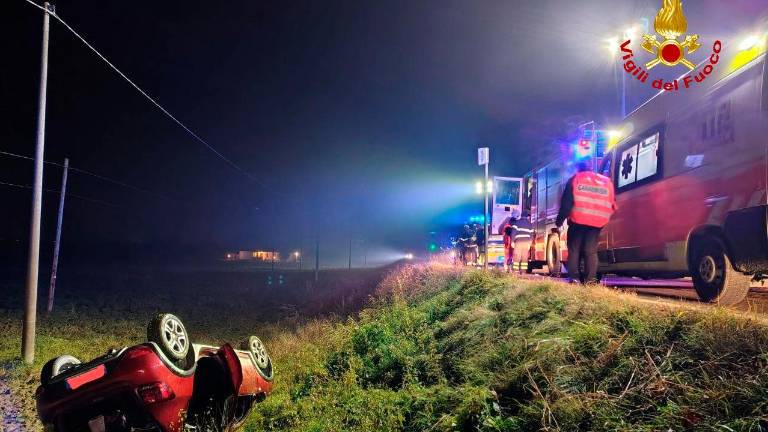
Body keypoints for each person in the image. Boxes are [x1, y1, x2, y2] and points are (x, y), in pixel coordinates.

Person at [555, 162, 616, 284]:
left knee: (574, 249)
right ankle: (591, 280)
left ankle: (575, 279)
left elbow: (567, 204)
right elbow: (612, 203)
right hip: (597, 223)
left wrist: (559, 221)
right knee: (591, 251)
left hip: (578, 220)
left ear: (578, 169)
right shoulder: (605, 181)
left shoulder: (576, 179)